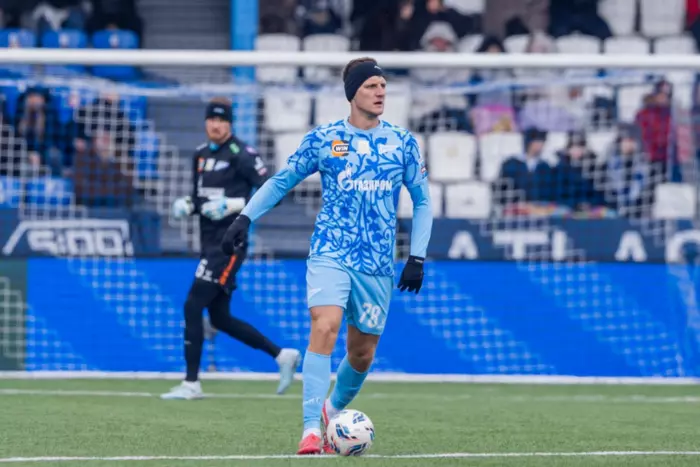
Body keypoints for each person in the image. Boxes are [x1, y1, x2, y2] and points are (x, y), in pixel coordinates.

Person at [221, 57, 433, 455]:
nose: (380, 92)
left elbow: (422, 201)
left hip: (377, 264)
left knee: (362, 352)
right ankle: (309, 431)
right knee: (325, 325)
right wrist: (245, 217)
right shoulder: (324, 139)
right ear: (353, 93)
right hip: (330, 252)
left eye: (383, 86)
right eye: (371, 86)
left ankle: (330, 411)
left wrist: (417, 257)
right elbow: (282, 180)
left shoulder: (402, 142)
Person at [161, 97, 301, 400]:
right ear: (205, 122)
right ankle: (281, 355)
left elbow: (274, 192)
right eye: (212, 119)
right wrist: (188, 205)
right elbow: (201, 198)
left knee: (192, 305)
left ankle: (191, 383)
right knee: (220, 317)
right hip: (208, 243)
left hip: (229, 246)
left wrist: (235, 204)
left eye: (222, 120)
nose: (216, 125)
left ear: (230, 123)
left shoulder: (243, 155)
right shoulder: (200, 155)